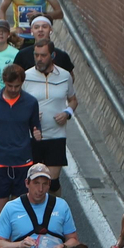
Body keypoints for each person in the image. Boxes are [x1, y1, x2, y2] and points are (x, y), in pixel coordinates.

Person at [0, 62, 43, 226]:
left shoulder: (31, 102)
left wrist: (37, 134)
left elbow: (35, 126)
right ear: (4, 82)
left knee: (19, 212)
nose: (14, 90)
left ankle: (14, 242)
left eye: (17, 86)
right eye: (10, 86)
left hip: (22, 162)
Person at [23, 38, 78, 195]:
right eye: (36, 55)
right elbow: (19, 103)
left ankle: (54, 209)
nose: (39, 59)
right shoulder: (26, 76)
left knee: (52, 184)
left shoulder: (65, 76)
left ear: (52, 55)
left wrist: (67, 113)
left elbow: (73, 100)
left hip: (56, 136)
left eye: (43, 55)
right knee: (33, 183)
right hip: (32, 137)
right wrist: (30, 115)